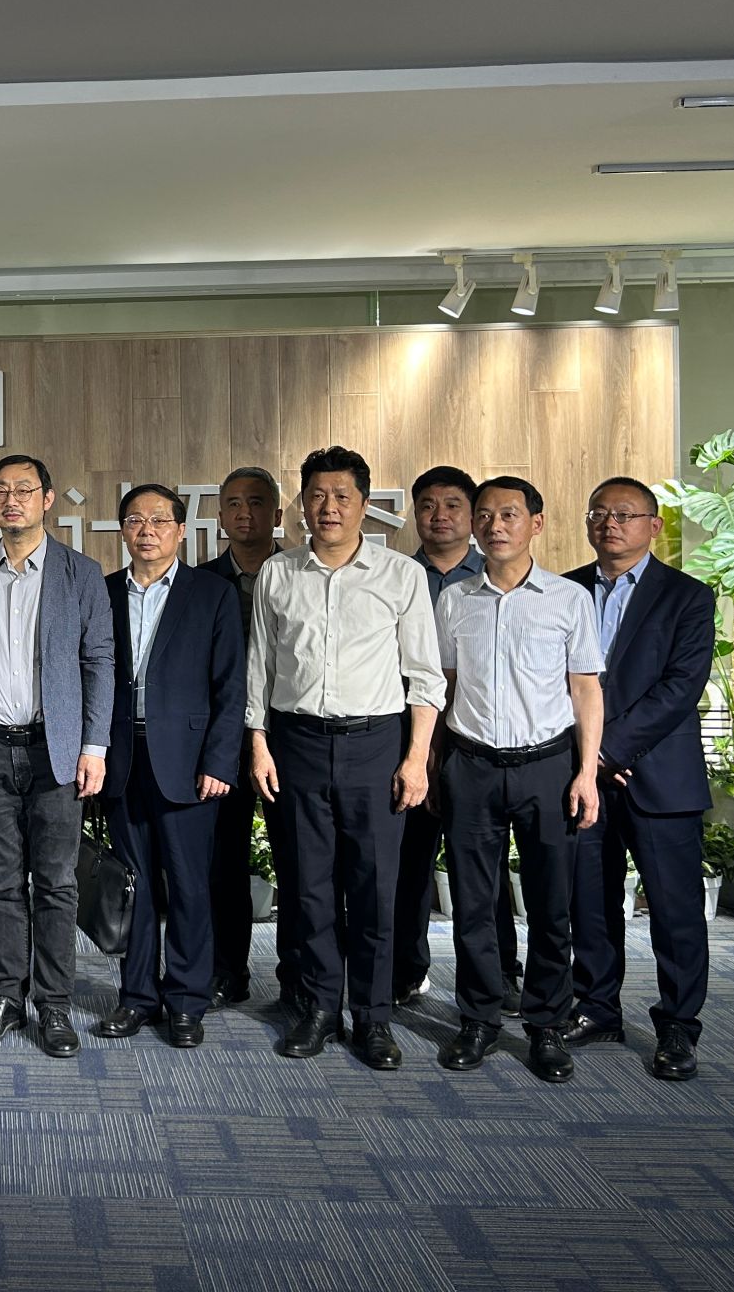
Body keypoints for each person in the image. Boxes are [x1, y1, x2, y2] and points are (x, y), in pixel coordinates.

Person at [247, 446, 444, 1070]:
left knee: (376, 889)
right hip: (296, 743)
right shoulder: (278, 573)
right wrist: (258, 743)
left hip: (376, 745)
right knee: (308, 888)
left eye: (341, 497)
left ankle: (374, 1017)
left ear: (364, 505)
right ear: (302, 505)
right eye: (316, 496)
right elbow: (259, 667)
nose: (328, 508)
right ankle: (319, 1008)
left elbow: (425, 677)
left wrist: (416, 759)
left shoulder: (400, 575)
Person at [432, 476, 604, 1083]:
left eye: (509, 514)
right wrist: (433, 764)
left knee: (551, 905)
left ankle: (546, 1024)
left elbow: (586, 689)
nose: (495, 525)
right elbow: (444, 687)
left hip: (547, 767)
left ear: (537, 522)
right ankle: (478, 1018)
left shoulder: (568, 599)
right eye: (485, 515)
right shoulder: (454, 599)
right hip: (471, 765)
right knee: (473, 904)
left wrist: (587, 772)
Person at [0, 453, 114, 1058]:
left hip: (56, 752)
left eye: (24, 489)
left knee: (56, 884)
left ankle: (54, 1004)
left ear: (47, 499)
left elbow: (99, 661)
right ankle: (5, 997)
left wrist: (94, 745)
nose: (11, 499)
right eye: (0, 490)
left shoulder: (80, 572)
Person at [564, 476, 716, 1081]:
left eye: (624, 514)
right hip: (582, 776)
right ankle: (597, 1008)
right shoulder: (565, 590)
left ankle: (678, 1026)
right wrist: (588, 758)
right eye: (599, 513)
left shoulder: (687, 596)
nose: (610, 524)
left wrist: (610, 748)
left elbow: (681, 687)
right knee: (589, 901)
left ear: (653, 526)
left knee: (675, 911)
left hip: (659, 777)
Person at [96, 484, 244, 1049]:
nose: (147, 530)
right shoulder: (104, 591)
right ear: (123, 530)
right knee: (133, 887)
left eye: (160, 520)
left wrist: (220, 760)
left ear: (181, 531)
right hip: (122, 759)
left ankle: (186, 999)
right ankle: (137, 996)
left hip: (189, 762)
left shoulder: (212, 593)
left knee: (188, 885)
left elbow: (230, 685)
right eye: (135, 520)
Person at [394, 465, 524, 1010]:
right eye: (427, 505)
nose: (439, 515)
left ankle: (501, 974)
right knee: (407, 865)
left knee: (483, 869)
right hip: (408, 744)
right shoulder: (397, 576)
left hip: (476, 746)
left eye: (452, 505)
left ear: (473, 517)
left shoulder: (498, 578)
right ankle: (405, 971)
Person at [198, 465, 287, 1010]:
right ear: (219, 515)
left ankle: (298, 977)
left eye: (256, 503)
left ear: (276, 514)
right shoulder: (200, 583)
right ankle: (226, 971)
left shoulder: (301, 572)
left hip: (291, 739)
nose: (244, 513)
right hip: (223, 742)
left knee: (299, 864)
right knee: (222, 863)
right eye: (233, 503)